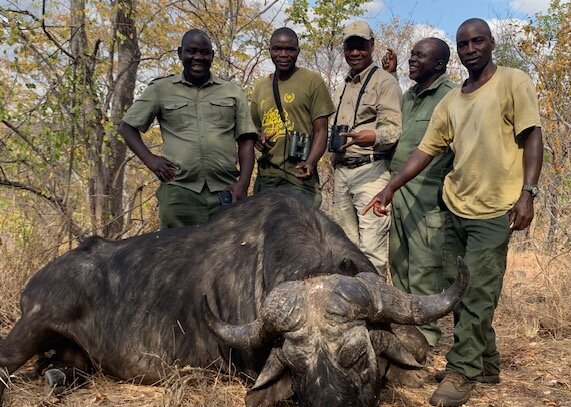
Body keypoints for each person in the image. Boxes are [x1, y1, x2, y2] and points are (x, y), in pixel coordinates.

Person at [365, 18, 543, 407]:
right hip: (454, 207)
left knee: (478, 292)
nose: (471, 48)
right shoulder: (452, 100)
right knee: (461, 290)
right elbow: (425, 150)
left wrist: (527, 193)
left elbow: (532, 136)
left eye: (478, 41)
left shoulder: (513, 82)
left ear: (491, 42)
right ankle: (487, 364)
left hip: (495, 210)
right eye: (464, 43)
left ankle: (462, 372)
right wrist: (391, 188)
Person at [120, 29, 257, 229]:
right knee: (175, 256)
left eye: (204, 52)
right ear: (180, 53)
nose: (198, 57)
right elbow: (127, 127)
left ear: (212, 55)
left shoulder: (231, 92)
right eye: (191, 51)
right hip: (180, 192)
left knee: (229, 256)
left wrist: (243, 184)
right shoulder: (161, 89)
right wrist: (150, 159)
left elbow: (246, 141)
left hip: (225, 192)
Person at [381, 38, 456, 349]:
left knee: (424, 268)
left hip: (428, 195)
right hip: (397, 190)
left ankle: (425, 338)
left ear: (439, 64)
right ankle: (403, 331)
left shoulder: (450, 97)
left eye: (419, 56)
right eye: (411, 54)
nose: (412, 59)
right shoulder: (409, 96)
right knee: (399, 265)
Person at [331, 20, 402, 276]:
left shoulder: (384, 82)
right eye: (350, 46)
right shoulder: (341, 86)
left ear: (371, 46)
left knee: (372, 251)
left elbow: (394, 130)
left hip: (371, 172)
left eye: (361, 46)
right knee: (344, 249)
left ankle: (377, 312)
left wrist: (369, 136)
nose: (355, 52)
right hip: (341, 174)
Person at [251, 28, 335, 207]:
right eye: (277, 49)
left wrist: (311, 162)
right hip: (267, 178)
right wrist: (260, 139)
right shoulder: (260, 87)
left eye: (289, 49)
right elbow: (255, 131)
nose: (283, 54)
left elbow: (321, 131)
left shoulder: (312, 81)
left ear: (298, 51)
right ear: (270, 52)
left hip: (298, 178)